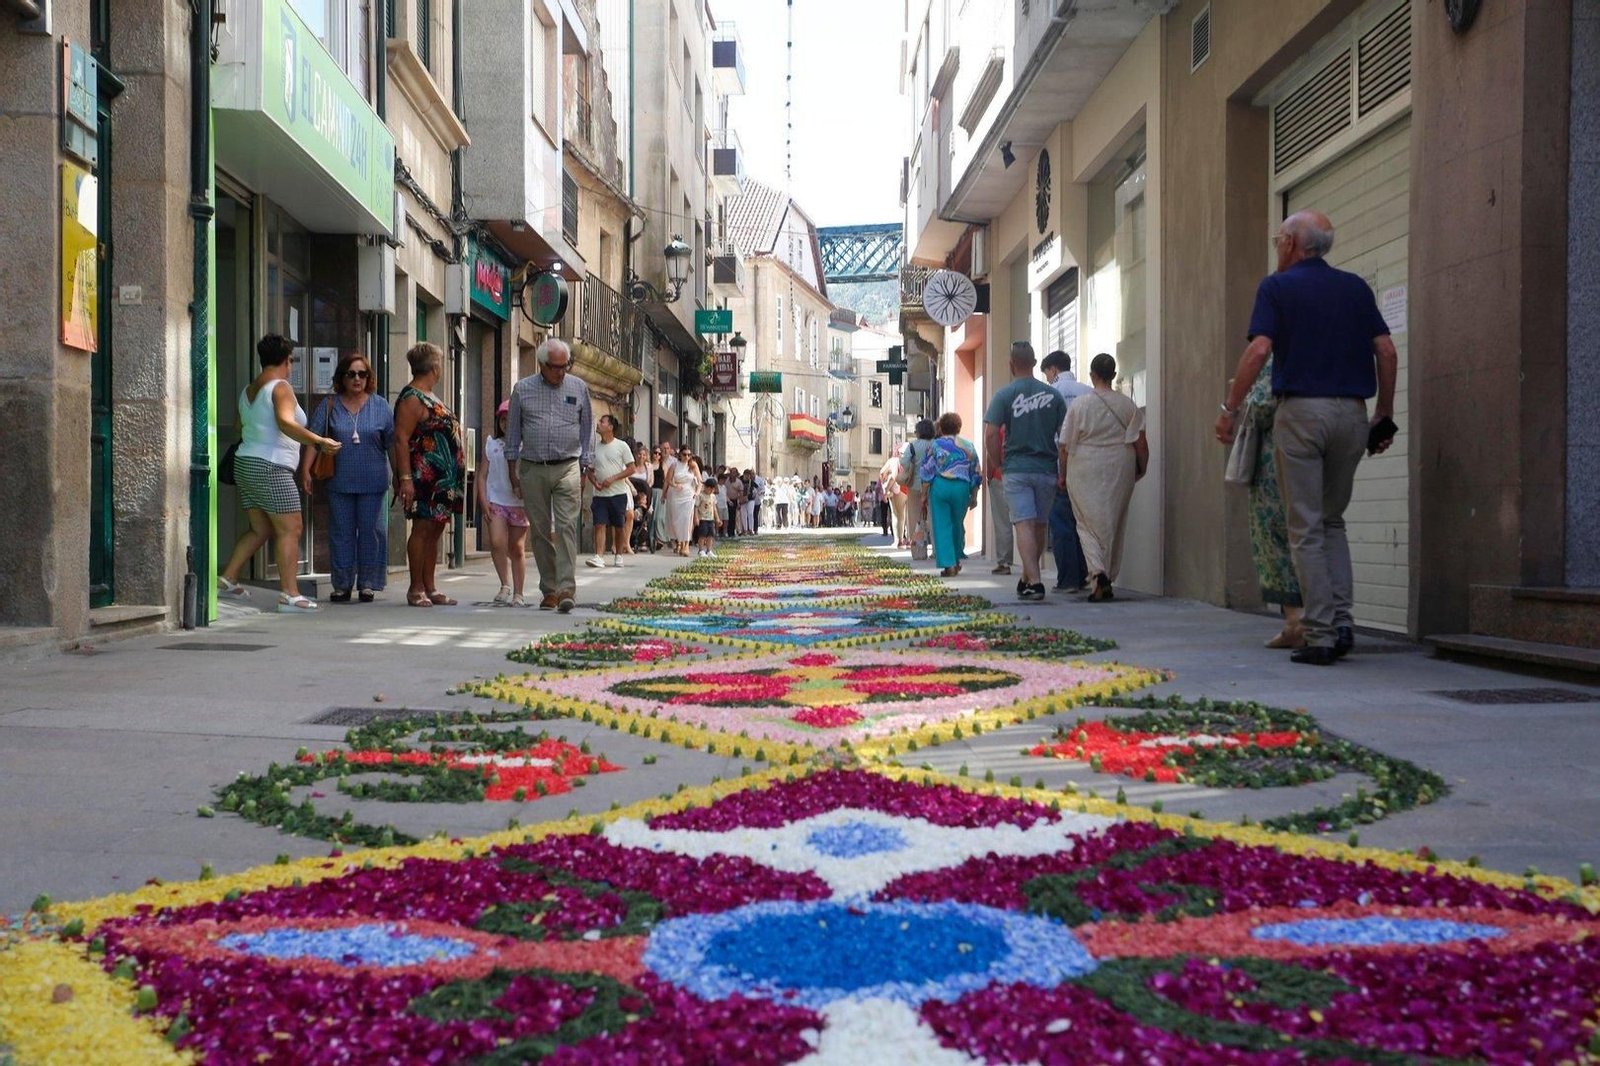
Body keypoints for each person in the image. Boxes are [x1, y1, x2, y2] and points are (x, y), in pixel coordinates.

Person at [1216, 209, 1397, 665]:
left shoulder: (1276, 287)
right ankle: (1341, 621)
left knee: (1305, 525)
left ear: (1293, 244)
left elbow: (1259, 349)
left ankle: (1318, 634)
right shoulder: (1355, 287)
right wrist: (1385, 413)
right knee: (1332, 520)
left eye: (1280, 239)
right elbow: (1386, 349)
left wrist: (1229, 409)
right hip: (1352, 414)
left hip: (1301, 413)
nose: (1278, 246)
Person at [218, 333, 342, 613]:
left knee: (260, 529)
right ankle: (290, 595)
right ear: (288, 361)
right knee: (292, 528)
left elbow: (239, 427)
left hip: (245, 463)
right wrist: (318, 442)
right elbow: (286, 423)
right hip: (271, 465)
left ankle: (227, 579)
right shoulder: (281, 387)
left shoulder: (249, 390)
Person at [505, 338, 593, 614]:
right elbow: (514, 431)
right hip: (533, 466)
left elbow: (587, 428)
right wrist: (512, 469)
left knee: (566, 526)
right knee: (540, 531)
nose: (560, 372)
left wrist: (585, 466)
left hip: (568, 464)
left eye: (564, 366)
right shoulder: (523, 389)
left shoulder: (578, 387)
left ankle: (567, 589)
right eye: (555, 367)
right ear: (542, 364)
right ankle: (550, 589)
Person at [300, 353, 395, 603]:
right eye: (351, 374)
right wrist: (305, 470)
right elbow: (313, 437)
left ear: (369, 378)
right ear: (342, 377)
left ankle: (367, 584)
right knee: (341, 532)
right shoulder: (329, 404)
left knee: (371, 532)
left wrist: (400, 476)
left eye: (362, 374)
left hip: (373, 482)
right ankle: (341, 585)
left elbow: (393, 444)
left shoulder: (381, 406)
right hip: (339, 481)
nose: (357, 379)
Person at [1060, 353, 1149, 603]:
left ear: (1092, 375)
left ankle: (1098, 573)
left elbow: (1064, 445)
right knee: (1113, 523)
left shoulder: (1080, 405)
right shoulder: (1127, 405)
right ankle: (1106, 576)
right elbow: (1140, 442)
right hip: (1120, 465)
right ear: (1113, 375)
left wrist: (1063, 473)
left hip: (1084, 465)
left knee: (1086, 524)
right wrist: (1142, 467)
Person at [984, 341, 1068, 600]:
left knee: (1023, 523)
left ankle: (1035, 580)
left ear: (1011, 364)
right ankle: (1027, 577)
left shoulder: (1004, 395)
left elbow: (990, 434)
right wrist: (1062, 471)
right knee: (1039, 525)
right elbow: (1064, 438)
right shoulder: (1054, 395)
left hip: (1017, 468)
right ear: (1034, 363)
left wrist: (998, 463)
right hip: (1046, 469)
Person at [393, 342, 466, 609]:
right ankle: (415, 588)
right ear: (435, 367)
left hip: (443, 477)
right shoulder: (412, 397)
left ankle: (430, 585)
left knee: (436, 528)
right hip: (424, 475)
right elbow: (400, 438)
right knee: (423, 528)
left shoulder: (431, 395)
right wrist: (404, 479)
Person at [1238, 358, 1305, 648]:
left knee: (1276, 534)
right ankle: (1327, 619)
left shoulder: (1279, 355)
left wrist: (1239, 399)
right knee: (1321, 528)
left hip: (1277, 456)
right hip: (1314, 449)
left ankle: (1296, 620)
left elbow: (1262, 404)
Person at [1040, 349, 1092, 592]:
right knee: (1084, 523)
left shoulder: (1050, 393)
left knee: (1061, 523)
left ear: (1053, 370)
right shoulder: (1089, 392)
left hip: (1059, 466)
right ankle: (1084, 575)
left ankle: (1068, 579)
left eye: (1048, 374)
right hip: (1088, 466)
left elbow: (1049, 434)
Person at [478, 400, 530, 606]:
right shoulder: (492, 445)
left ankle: (519, 593)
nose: (507, 424)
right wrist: (483, 501)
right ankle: (504, 584)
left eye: (512, 420)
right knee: (497, 542)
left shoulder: (527, 448)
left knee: (517, 548)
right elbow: (481, 476)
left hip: (519, 504)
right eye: (503, 420)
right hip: (496, 501)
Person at [921, 412, 984, 576]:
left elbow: (927, 471)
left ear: (940, 428)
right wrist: (975, 495)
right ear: (959, 428)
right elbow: (976, 472)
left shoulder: (934, 446)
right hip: (961, 488)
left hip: (940, 486)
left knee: (942, 525)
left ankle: (949, 564)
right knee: (957, 524)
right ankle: (956, 559)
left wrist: (923, 495)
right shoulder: (968, 446)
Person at [585, 414, 637, 570]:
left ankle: (619, 554)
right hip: (599, 495)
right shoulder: (595, 447)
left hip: (618, 493)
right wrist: (595, 482)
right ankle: (599, 556)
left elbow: (631, 468)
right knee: (599, 524)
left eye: (602, 421)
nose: (599, 424)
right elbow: (590, 470)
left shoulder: (621, 446)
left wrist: (613, 478)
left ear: (610, 427)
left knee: (618, 526)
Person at [900, 420, 936, 560]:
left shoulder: (912, 445)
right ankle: (936, 550)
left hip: (915, 486)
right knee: (933, 519)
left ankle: (919, 552)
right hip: (932, 486)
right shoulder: (935, 444)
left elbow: (903, 462)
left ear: (919, 432)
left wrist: (913, 463)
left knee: (916, 519)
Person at [986, 428, 1015, 576]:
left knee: (1003, 521)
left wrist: (990, 474)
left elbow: (991, 447)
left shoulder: (998, 426)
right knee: (1030, 522)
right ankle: (1032, 564)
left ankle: (1004, 562)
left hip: (1001, 475)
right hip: (1026, 472)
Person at [663, 443, 698, 555]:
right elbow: (668, 480)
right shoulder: (674, 465)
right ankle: (680, 541)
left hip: (689, 494)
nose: (687, 457)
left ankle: (686, 544)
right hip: (676, 494)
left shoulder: (692, 466)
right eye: (684, 454)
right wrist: (674, 486)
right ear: (680, 455)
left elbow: (700, 481)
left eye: (689, 455)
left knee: (687, 519)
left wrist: (696, 492)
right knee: (677, 521)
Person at [879, 454, 905, 542]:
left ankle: (898, 541)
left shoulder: (893, 461)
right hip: (907, 488)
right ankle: (909, 540)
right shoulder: (907, 459)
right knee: (905, 516)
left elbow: (883, 473)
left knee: (896, 515)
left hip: (895, 489)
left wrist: (885, 488)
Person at [695, 478, 720, 556]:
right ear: (706, 487)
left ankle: (709, 550)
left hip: (710, 518)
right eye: (710, 489)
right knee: (702, 535)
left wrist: (717, 518)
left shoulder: (713, 496)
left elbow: (714, 508)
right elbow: (696, 507)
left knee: (710, 535)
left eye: (713, 489)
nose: (711, 491)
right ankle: (701, 550)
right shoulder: (700, 496)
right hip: (702, 518)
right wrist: (696, 517)